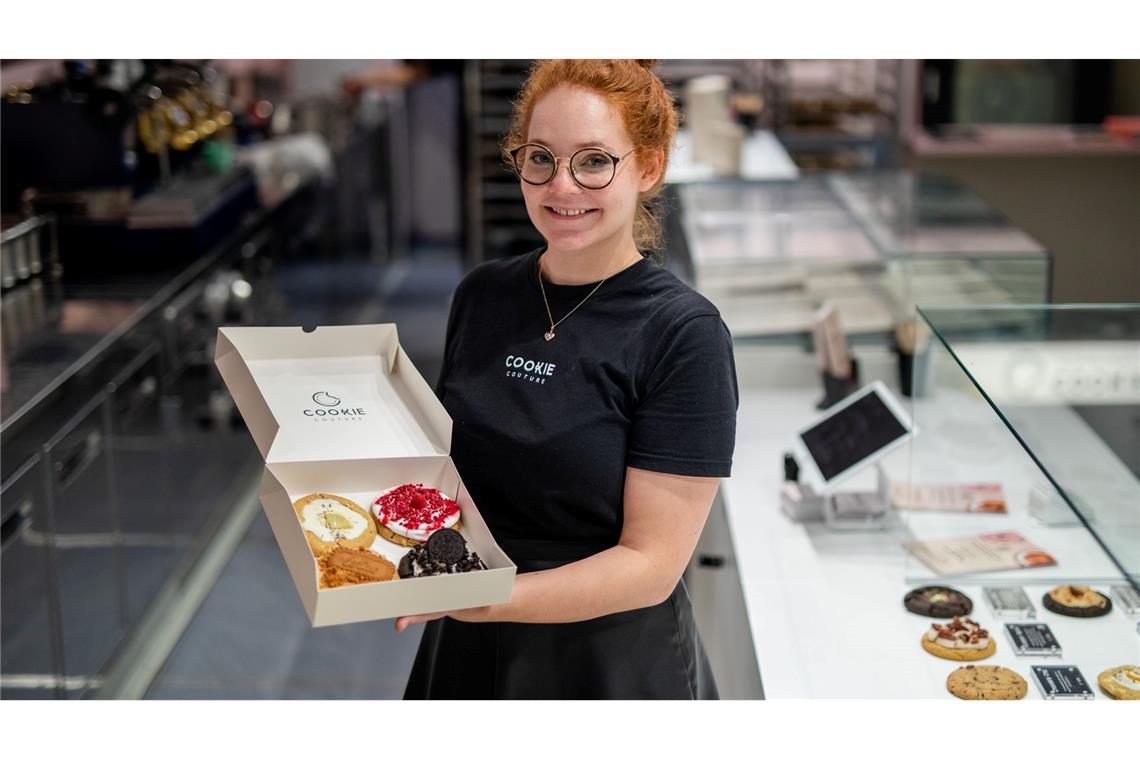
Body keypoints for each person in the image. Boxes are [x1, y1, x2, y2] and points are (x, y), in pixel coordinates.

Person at [396, 59, 738, 699]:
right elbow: (449, 473)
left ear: (649, 166)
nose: (562, 186)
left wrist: (492, 599)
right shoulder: (483, 295)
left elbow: (651, 565)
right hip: (467, 641)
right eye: (541, 158)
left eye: (593, 161)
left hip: (606, 662)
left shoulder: (683, 333)